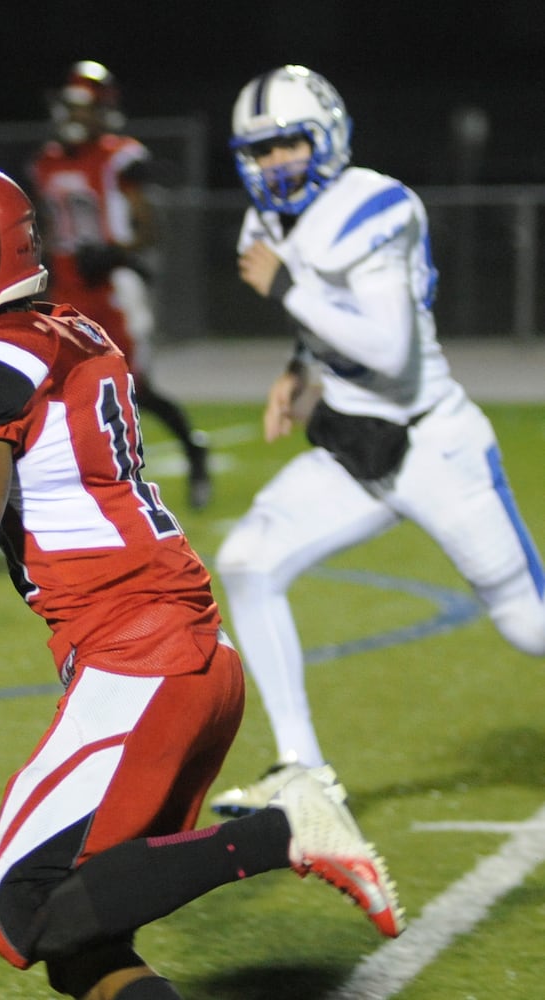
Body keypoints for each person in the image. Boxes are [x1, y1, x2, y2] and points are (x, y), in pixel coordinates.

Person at [0, 158, 403, 999]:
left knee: (23, 909)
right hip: (186, 658)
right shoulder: (60, 332)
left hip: (136, 659)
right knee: (83, 941)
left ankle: (282, 832)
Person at [209, 65, 545, 814]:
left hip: (434, 446)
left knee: (531, 628)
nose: (274, 166)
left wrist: (287, 290)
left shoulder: (375, 205)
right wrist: (298, 369)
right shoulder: (265, 224)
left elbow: (389, 348)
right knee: (248, 561)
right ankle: (302, 770)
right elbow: (324, 326)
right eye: (260, 153)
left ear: (325, 137)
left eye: (288, 145)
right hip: (358, 450)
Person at [27, 61, 210, 512]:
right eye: (68, 106)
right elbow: (51, 227)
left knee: (129, 388)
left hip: (114, 288)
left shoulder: (120, 158)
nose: (72, 116)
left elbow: (150, 225)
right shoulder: (47, 163)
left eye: (81, 107)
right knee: (52, 388)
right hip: (68, 289)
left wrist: (116, 253)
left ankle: (190, 453)